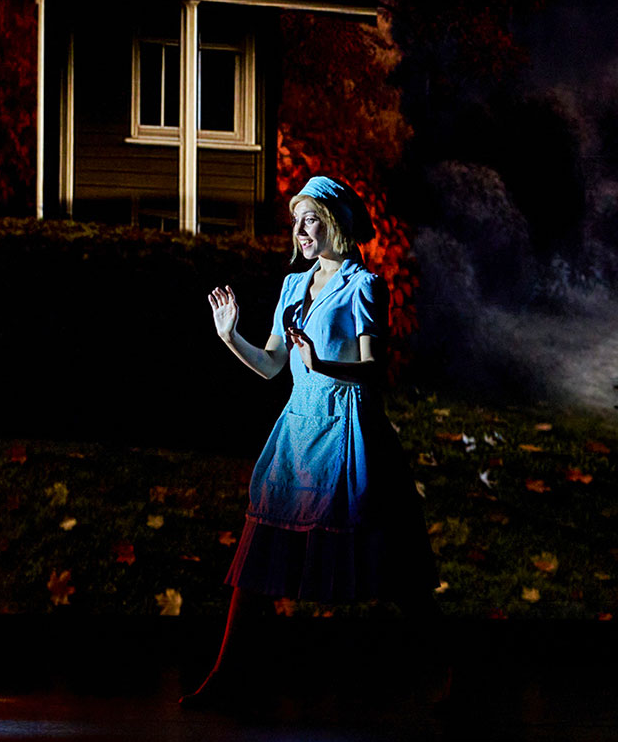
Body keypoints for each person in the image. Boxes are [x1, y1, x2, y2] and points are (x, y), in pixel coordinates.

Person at [182, 176, 437, 708]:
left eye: (310, 220)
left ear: (335, 224)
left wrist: (322, 362)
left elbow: (373, 367)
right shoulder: (292, 287)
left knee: (392, 563)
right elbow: (274, 364)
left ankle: (438, 672)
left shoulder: (364, 286)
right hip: (299, 431)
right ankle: (226, 674)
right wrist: (231, 337)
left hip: (349, 433)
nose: (299, 231)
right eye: (296, 221)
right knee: (258, 557)